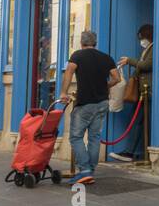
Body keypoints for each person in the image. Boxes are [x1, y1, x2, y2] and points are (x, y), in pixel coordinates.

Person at [59, 30, 120, 186]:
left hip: (85, 103)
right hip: (102, 103)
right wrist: (105, 86)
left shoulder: (77, 56)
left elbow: (68, 73)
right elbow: (117, 78)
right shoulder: (106, 58)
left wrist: (63, 92)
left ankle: (85, 170)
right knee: (94, 137)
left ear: (82, 42)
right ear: (95, 42)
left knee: (76, 137)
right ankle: (90, 172)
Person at [109, 24, 153, 165]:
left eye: (142, 37)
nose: (141, 41)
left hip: (147, 93)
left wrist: (130, 61)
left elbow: (146, 65)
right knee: (138, 123)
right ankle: (135, 152)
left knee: (138, 123)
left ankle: (132, 152)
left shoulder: (153, 48)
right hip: (142, 93)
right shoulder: (147, 49)